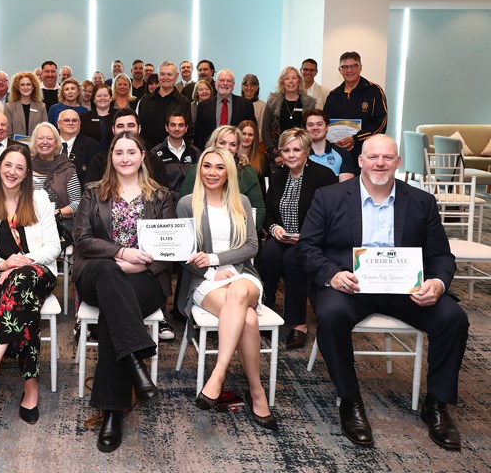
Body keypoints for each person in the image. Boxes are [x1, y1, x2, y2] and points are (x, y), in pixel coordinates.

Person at [298, 135, 467, 451]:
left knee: (453, 318)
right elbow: (307, 248)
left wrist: (438, 284)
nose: (379, 163)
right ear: (360, 161)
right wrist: (332, 275)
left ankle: (437, 405)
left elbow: (442, 256)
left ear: (398, 163)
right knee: (331, 316)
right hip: (351, 286)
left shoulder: (420, 201)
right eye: (372, 157)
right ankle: (350, 400)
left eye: (387, 158)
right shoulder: (329, 197)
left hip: (406, 287)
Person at [73, 131, 175, 453]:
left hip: (146, 278)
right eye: (119, 152)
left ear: (143, 156)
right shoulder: (93, 193)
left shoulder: (161, 196)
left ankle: (112, 411)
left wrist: (138, 264)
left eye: (132, 151)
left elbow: (169, 247)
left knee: (111, 315)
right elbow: (83, 240)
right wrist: (120, 254)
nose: (126, 158)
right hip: (97, 273)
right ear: (111, 157)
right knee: (107, 274)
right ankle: (135, 362)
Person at [176, 146, 276, 430]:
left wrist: (217, 260)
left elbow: (251, 247)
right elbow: (183, 254)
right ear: (200, 169)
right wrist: (209, 270)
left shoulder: (241, 201)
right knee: (248, 317)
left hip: (242, 274)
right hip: (204, 281)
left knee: (239, 292)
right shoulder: (186, 203)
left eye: (220, 167)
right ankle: (257, 393)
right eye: (207, 166)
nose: (212, 172)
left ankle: (217, 374)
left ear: (229, 171)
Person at [0, 145, 61, 424]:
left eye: (20, 167)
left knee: (24, 281)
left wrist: (22, 262)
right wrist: (2, 265)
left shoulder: (39, 198)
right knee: (24, 306)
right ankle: (30, 388)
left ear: (26, 173)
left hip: (38, 272)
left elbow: (53, 247)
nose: (13, 172)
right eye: (8, 165)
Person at [260, 128, 336, 349]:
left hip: (310, 241)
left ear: (307, 150)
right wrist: (274, 229)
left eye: (296, 149)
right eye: (286, 150)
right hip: (282, 237)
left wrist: (306, 237)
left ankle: (298, 324)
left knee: (293, 260)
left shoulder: (324, 176)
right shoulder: (278, 176)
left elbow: (332, 216)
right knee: (268, 255)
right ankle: (266, 310)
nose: (291, 155)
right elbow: (268, 212)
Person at [180, 126, 266, 231]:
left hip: (238, 232)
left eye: (232, 144)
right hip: (201, 232)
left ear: (238, 148)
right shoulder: (199, 169)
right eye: (222, 143)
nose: (227, 148)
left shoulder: (247, 172)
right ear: (214, 143)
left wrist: (243, 233)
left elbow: (259, 210)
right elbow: (183, 207)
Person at [323, 51, 388, 161]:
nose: (349, 70)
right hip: (337, 153)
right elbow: (325, 122)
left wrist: (355, 139)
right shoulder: (334, 95)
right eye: (345, 67)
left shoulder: (374, 91)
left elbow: (381, 124)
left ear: (360, 68)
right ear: (340, 70)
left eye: (353, 66)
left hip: (366, 153)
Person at [84, 108, 170, 189]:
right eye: (120, 126)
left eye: (131, 126)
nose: (126, 130)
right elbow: (90, 198)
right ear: (113, 130)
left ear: (139, 129)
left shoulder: (155, 162)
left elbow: (163, 197)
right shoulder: (98, 162)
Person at [30, 122, 81, 246]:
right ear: (34, 142)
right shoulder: (25, 167)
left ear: (57, 142)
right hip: (28, 223)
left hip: (59, 225)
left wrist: (57, 213)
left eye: (49, 138)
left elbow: (77, 203)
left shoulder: (67, 168)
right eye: (40, 138)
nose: (45, 142)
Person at [263, 67, 317, 169]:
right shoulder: (272, 102)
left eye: (294, 78)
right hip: (278, 158)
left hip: (302, 155)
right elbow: (265, 130)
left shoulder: (309, 103)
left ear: (299, 81)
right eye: (287, 78)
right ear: (282, 82)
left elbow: (311, 130)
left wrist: (302, 154)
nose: (291, 81)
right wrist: (275, 155)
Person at [193, 69, 256, 152]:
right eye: (222, 80)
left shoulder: (245, 105)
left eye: (229, 81)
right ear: (215, 83)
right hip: (211, 153)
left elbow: (252, 130)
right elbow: (199, 135)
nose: (225, 83)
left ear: (233, 85)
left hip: (236, 154)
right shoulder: (203, 105)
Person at [136, 61, 191, 149]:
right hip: (148, 153)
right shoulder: (145, 101)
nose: (165, 78)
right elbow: (140, 129)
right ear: (158, 76)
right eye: (162, 74)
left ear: (176, 76)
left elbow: (187, 132)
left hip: (174, 153)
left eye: (169, 74)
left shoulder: (184, 102)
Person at [152, 111, 200, 196]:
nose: (177, 129)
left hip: (192, 201)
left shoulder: (195, 152)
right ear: (167, 128)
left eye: (181, 125)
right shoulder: (155, 153)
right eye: (173, 125)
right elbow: (153, 184)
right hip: (167, 202)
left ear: (186, 128)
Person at [304, 109, 355, 181]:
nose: (315, 128)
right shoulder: (300, 154)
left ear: (327, 127)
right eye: (310, 125)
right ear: (306, 129)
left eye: (319, 124)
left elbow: (346, 188)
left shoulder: (343, 154)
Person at [56, 108, 100, 185]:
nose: (70, 123)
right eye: (66, 120)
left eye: (74, 120)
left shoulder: (92, 146)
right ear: (59, 124)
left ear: (79, 124)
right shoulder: (50, 144)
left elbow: (93, 180)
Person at [5, 71, 48, 139]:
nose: (25, 87)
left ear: (33, 87)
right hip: (16, 146)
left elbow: (45, 130)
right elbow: (8, 132)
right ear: (18, 88)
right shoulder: (9, 107)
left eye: (28, 84)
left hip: (36, 147)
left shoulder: (41, 106)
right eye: (22, 85)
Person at [80, 83, 115, 152]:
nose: (102, 98)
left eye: (105, 95)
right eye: (99, 96)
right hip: (91, 157)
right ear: (94, 99)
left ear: (110, 98)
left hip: (114, 155)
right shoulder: (84, 117)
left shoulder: (118, 116)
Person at [237, 120, 270, 193]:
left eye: (250, 135)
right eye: (243, 134)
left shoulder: (263, 158)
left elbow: (265, 184)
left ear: (255, 137)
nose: (246, 137)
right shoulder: (231, 155)